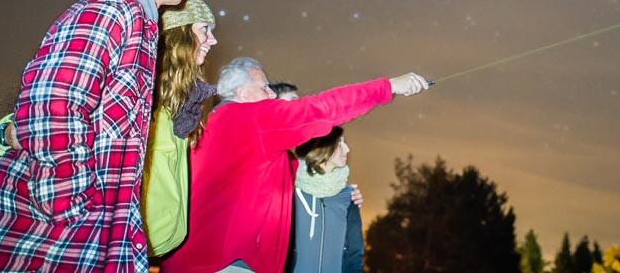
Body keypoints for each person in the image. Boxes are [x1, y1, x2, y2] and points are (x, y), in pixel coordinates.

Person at [0, 0, 194, 272]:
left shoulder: (137, 21)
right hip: (57, 233)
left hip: (94, 230)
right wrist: (72, 203)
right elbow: (54, 101)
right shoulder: (112, 8)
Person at [161, 57, 428, 273]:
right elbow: (320, 109)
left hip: (205, 260)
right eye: (264, 87)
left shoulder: (222, 127)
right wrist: (389, 86)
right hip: (226, 263)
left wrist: (341, 192)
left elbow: (296, 174)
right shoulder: (251, 119)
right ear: (242, 93)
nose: (272, 95)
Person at [142, 0, 219, 256]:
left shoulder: (182, 105)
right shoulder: (140, 91)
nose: (213, 40)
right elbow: (53, 112)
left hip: (152, 247)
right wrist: (6, 134)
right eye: (204, 29)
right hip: (119, 244)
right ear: (178, 35)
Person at [289, 126, 364, 273]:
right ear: (323, 147)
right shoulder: (290, 194)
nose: (347, 149)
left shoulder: (349, 197)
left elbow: (354, 254)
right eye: (340, 143)